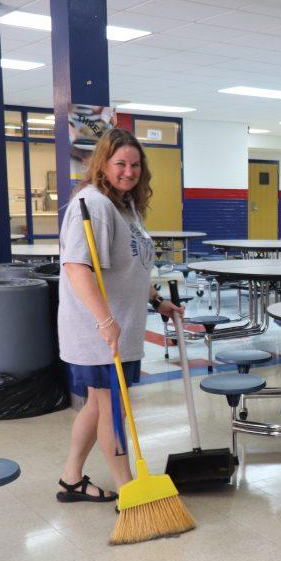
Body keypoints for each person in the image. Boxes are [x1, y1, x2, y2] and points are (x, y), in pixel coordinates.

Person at [55, 128, 181, 503]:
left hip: (120, 328)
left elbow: (131, 268)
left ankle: (71, 478)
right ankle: (130, 489)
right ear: (103, 164)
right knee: (112, 410)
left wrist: (157, 300)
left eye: (135, 164)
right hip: (99, 330)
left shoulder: (124, 205)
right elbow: (77, 267)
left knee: (98, 406)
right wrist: (105, 321)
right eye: (120, 163)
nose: (129, 171)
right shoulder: (93, 204)